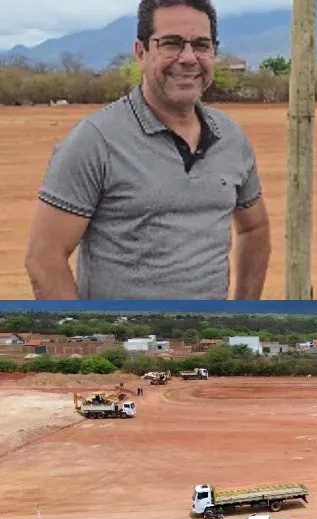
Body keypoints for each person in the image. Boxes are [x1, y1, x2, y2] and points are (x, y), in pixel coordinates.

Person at [25, 0, 270, 300]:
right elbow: (44, 258)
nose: (189, 58)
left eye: (201, 45)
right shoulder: (95, 141)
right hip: (123, 340)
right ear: (141, 52)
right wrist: (87, 340)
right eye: (171, 44)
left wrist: (242, 317)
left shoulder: (231, 137)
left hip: (209, 339)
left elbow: (254, 229)